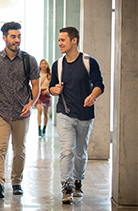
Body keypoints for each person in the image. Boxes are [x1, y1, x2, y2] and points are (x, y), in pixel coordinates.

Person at [0, 21, 40, 198]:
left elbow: (36, 85)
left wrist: (30, 103)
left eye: (19, 36)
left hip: (22, 113)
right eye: (13, 36)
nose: (17, 40)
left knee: (19, 150)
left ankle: (16, 181)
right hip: (0, 112)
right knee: (0, 148)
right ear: (4, 37)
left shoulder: (29, 60)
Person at [48, 26, 104, 204]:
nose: (59, 43)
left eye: (63, 40)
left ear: (74, 40)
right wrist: (54, 90)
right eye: (59, 40)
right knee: (67, 150)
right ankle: (66, 186)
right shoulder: (58, 65)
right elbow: (51, 86)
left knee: (80, 153)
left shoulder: (89, 62)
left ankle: (78, 180)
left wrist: (92, 96)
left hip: (85, 114)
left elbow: (99, 85)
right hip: (64, 113)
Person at [35, 59, 52, 137]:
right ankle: (39, 128)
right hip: (39, 93)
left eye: (45, 63)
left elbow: (52, 84)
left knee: (46, 113)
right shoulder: (38, 74)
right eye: (42, 63)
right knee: (39, 110)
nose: (44, 65)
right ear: (40, 65)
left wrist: (48, 90)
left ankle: (44, 128)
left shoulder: (49, 75)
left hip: (47, 94)